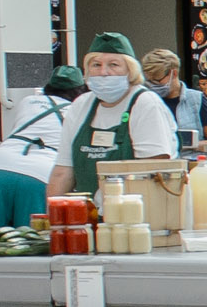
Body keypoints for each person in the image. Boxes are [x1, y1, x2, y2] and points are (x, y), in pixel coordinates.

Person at [48, 35, 181, 199]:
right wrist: (52, 214)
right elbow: (63, 171)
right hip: (89, 214)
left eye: (114, 65)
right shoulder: (80, 105)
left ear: (130, 71)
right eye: (96, 65)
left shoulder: (145, 103)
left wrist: (111, 202)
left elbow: (153, 169)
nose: (104, 72)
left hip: (137, 214)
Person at [0, 64, 84, 226]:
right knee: (31, 241)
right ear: (80, 91)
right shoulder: (79, 110)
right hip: (40, 174)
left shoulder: (28, 101)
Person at [144, 49, 207, 145]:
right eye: (150, 81)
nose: (153, 85)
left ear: (174, 74)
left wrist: (190, 144)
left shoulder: (197, 100)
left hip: (190, 158)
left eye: (158, 80)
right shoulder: (147, 102)